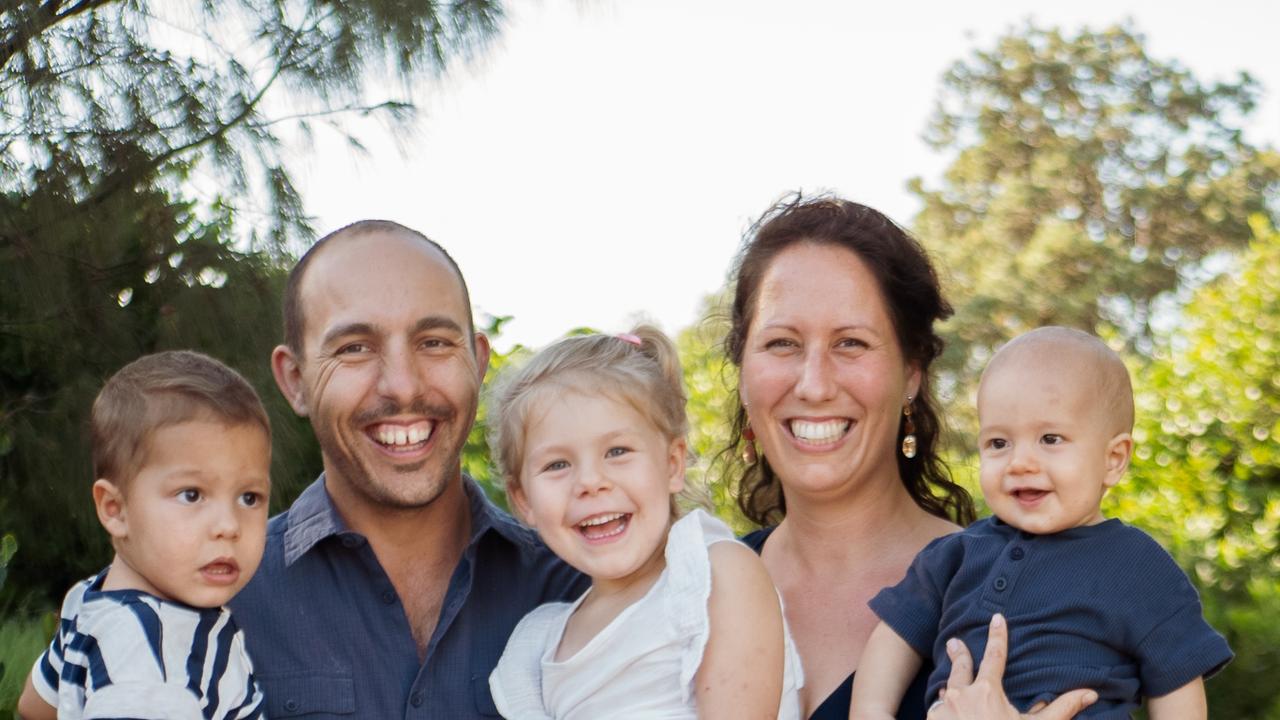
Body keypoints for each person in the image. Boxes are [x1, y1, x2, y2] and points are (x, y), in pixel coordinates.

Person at [228, 220, 586, 718]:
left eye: (435, 342)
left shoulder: (579, 585)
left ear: (478, 363)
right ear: (296, 380)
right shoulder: (221, 598)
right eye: (354, 348)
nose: (402, 386)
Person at [850, 327, 1233, 720]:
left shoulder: (1139, 568)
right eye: (999, 443)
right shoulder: (956, 555)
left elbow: (1179, 687)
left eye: (1050, 438)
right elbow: (893, 641)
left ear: (1113, 459)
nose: (1020, 463)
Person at [722, 195, 975, 720]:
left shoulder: (1010, 586)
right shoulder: (688, 595)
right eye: (783, 343)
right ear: (744, 373)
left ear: (911, 372)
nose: (813, 385)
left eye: (851, 343)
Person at [485, 326, 802, 719]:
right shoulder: (541, 642)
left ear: (672, 464)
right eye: (557, 464)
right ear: (522, 500)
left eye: (617, 451)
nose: (590, 482)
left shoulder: (712, 575)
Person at [17, 350, 271, 720]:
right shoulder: (154, 663)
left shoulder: (88, 602)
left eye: (249, 497)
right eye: (192, 494)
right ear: (115, 509)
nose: (229, 526)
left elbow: (34, 704)